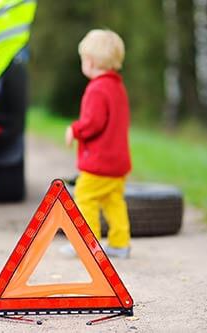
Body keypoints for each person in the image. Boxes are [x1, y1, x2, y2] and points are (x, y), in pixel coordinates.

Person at [62, 29, 132, 258]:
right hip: (118, 162)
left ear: (90, 62)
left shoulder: (96, 89)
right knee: (113, 201)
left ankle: (88, 245)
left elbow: (93, 123)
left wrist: (74, 129)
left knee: (84, 197)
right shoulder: (118, 87)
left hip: (99, 163)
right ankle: (120, 244)